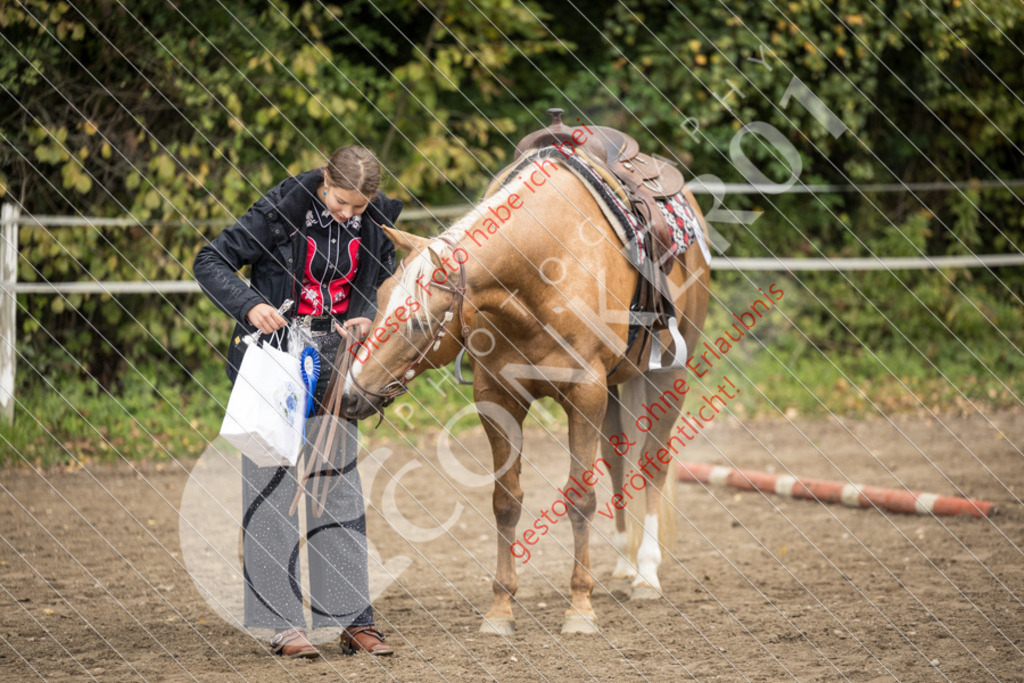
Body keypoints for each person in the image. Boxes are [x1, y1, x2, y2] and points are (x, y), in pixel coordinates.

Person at [194, 145, 400, 658]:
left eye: (358, 206)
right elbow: (210, 260)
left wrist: (363, 310)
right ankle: (280, 623)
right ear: (324, 179)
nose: (349, 214)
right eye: (340, 202)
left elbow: (377, 279)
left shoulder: (371, 222)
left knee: (340, 489)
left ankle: (351, 618)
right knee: (271, 489)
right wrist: (250, 304)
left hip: (337, 365)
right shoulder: (278, 212)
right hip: (275, 363)